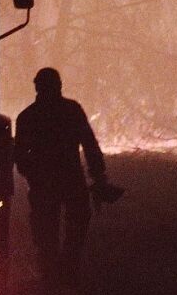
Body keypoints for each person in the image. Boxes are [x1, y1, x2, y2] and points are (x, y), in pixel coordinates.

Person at [14, 67, 113, 284]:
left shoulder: (28, 117)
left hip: (43, 183)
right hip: (71, 179)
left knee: (45, 230)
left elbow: (20, 157)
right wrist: (98, 175)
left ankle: (50, 272)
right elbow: (89, 144)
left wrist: (32, 174)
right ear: (59, 85)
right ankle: (67, 267)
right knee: (78, 221)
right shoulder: (72, 110)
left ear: (37, 87)